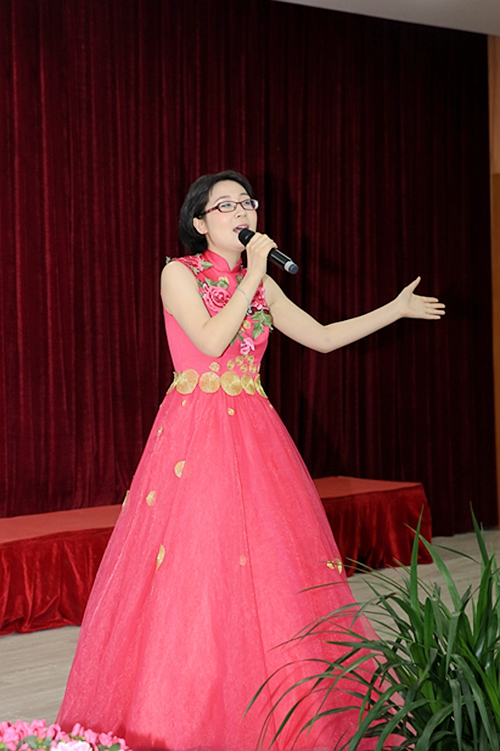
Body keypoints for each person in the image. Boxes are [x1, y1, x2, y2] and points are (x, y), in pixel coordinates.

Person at [57, 170, 445, 751]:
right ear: (199, 221)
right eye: (226, 205)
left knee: (269, 571)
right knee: (195, 571)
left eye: (247, 203)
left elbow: (322, 337)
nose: (242, 213)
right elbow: (211, 341)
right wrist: (256, 276)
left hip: (255, 434)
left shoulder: (259, 282)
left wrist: (393, 309)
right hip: (195, 438)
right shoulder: (178, 273)